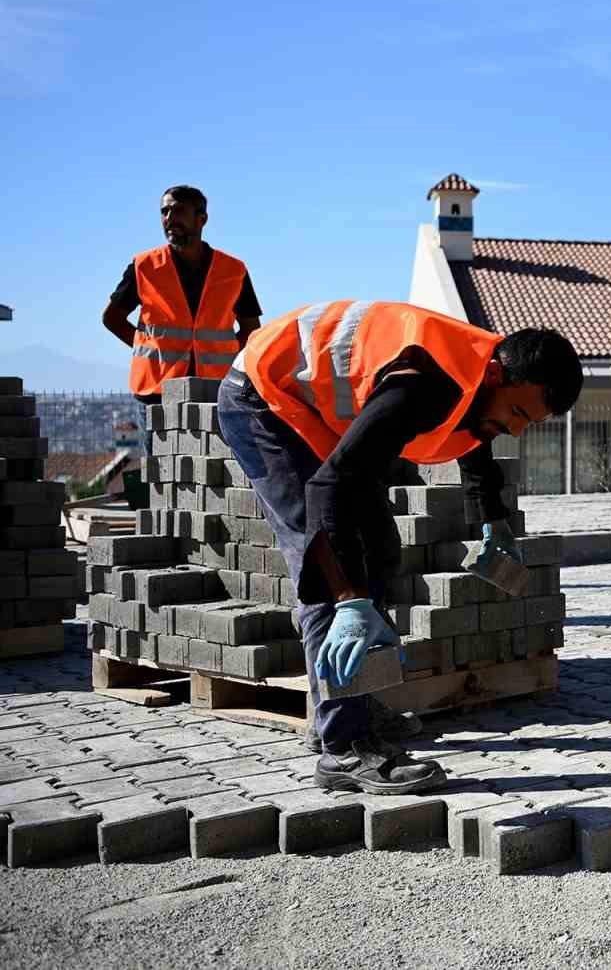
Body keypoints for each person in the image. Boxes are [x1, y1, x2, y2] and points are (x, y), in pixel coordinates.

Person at [217, 300, 582, 795]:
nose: (517, 428)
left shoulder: (478, 379)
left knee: (380, 548)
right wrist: (350, 600)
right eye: (517, 412)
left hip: (315, 412)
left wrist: (492, 523)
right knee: (326, 562)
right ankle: (344, 747)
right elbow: (329, 489)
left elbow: (476, 440)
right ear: (496, 375)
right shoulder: (421, 384)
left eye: (529, 422)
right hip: (264, 400)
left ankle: (353, 699)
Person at [103, 185, 263, 403]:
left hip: (213, 388)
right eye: (164, 212)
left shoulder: (233, 270)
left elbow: (251, 329)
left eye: (178, 211)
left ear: (202, 219)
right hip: (156, 389)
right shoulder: (144, 267)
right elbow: (112, 318)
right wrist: (150, 349)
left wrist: (229, 362)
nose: (169, 218)